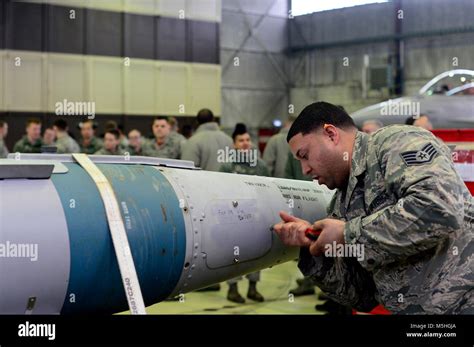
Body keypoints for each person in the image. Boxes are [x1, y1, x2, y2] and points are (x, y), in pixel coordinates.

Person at [273, 101, 473, 314]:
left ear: (331, 134)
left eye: (305, 156)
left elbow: (441, 207)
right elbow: (360, 295)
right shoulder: (342, 204)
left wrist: (347, 233)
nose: (304, 169)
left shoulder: (395, 143)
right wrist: (310, 248)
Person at [219, 123, 270, 303]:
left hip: (255, 217)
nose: (245, 143)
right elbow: (220, 192)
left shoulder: (260, 165)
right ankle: (232, 289)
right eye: (241, 140)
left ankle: (253, 288)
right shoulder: (226, 166)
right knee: (234, 255)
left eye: (248, 140)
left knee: (255, 253)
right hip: (232, 218)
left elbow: (266, 189)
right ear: (234, 144)